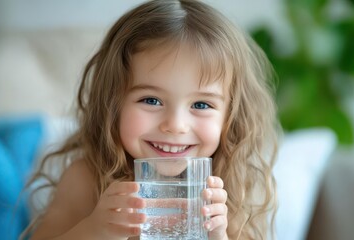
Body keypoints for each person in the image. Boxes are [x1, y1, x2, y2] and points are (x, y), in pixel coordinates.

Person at [22, 0, 279, 239]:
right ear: (113, 103)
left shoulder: (227, 189)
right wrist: (93, 229)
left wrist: (218, 235)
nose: (175, 125)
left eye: (201, 104)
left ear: (230, 117)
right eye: (151, 100)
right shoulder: (86, 178)